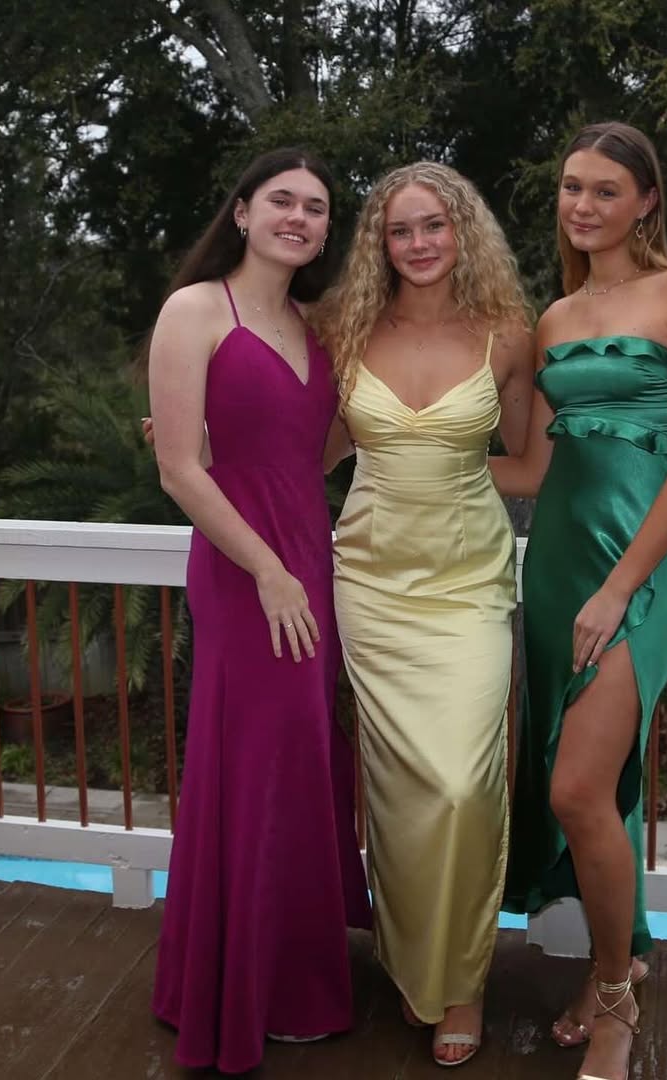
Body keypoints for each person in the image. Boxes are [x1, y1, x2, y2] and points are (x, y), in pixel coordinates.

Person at [493, 121, 667, 1080]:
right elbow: (529, 469)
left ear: (646, 202)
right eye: (570, 187)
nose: (582, 205)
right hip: (556, 562)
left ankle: (618, 1002)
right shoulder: (552, 319)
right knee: (593, 784)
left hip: (639, 563)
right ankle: (613, 965)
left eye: (604, 190)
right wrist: (401, 448)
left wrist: (619, 586)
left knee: (575, 788)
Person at [146, 147, 371, 1074]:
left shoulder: (324, 327)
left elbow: (322, 450)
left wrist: (295, 554)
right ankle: (239, 989)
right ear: (242, 212)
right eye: (282, 200)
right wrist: (268, 569)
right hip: (246, 573)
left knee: (301, 760)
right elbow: (177, 468)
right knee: (254, 763)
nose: (298, 218)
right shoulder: (196, 310)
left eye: (316, 208)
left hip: (310, 558)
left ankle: (288, 978)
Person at [311, 161, 533, 1066]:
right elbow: (312, 453)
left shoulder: (508, 334)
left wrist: (447, 471)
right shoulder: (345, 330)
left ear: (462, 229)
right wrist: (198, 442)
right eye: (399, 229)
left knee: (462, 785)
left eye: (433, 224)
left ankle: (464, 979)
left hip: (467, 586)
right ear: (380, 242)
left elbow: (532, 462)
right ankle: (413, 967)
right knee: (398, 789)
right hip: (370, 582)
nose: (418, 243)